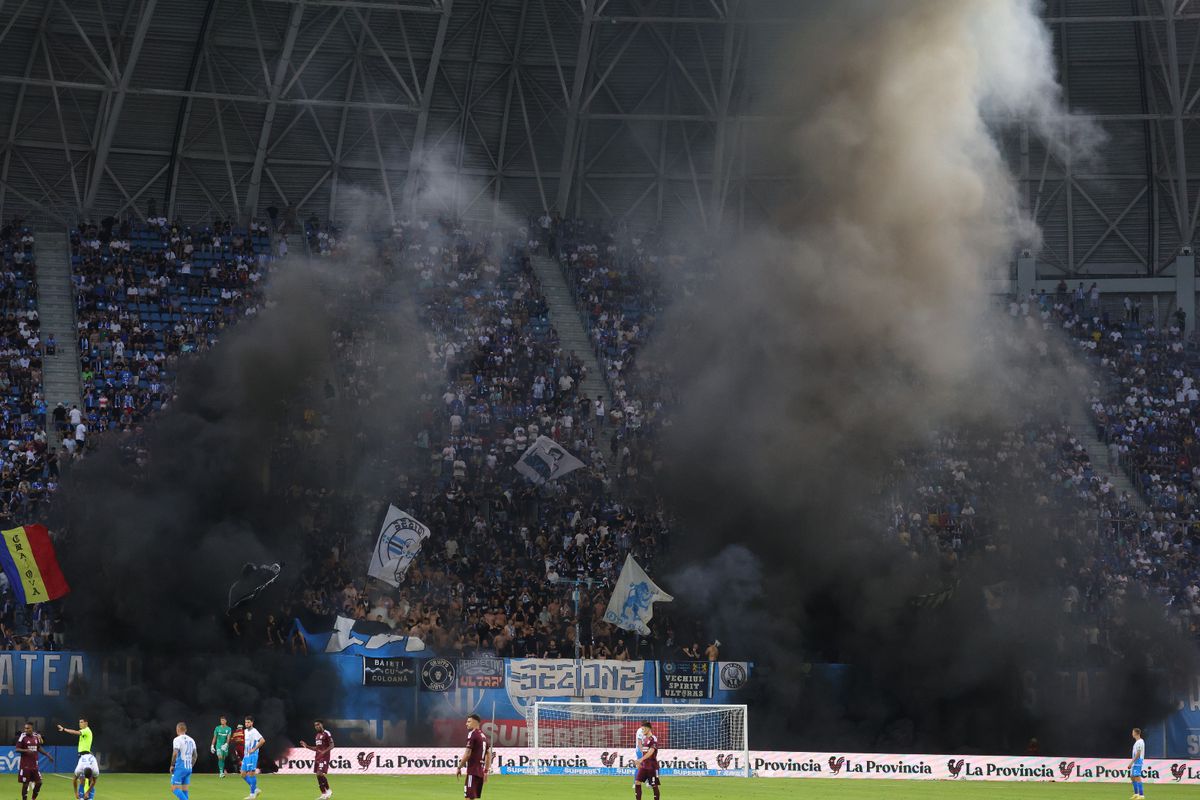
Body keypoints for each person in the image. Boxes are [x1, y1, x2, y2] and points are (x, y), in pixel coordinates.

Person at [58, 719, 98, 799]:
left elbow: (75, 732)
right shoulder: (85, 731)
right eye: (79, 722)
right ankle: (82, 797)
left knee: (87, 780)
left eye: (81, 722)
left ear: (86, 723)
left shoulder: (86, 730)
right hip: (83, 755)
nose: (80, 724)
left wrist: (64, 729)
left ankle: (89, 796)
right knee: (82, 780)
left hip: (85, 757)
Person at [455, 713, 492, 799]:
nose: (466, 724)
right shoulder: (483, 736)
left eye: (469, 722)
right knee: (472, 797)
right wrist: (486, 771)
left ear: (475, 723)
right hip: (480, 773)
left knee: (468, 797)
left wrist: (459, 767)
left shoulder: (472, 734)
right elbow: (489, 754)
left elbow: (467, 753)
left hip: (473, 772)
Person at [15, 721, 51, 800]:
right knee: (25, 785)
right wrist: (26, 750)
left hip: (34, 765)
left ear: (31, 728)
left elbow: (38, 747)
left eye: (28, 728)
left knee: (39, 783)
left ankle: (33, 798)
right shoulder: (22, 736)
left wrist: (47, 754)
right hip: (25, 766)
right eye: (25, 728)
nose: (26, 730)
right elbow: (17, 749)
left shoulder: (35, 736)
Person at [299, 720, 334, 799]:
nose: (317, 726)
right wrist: (307, 746)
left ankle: (328, 790)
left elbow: (332, 745)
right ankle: (323, 793)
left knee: (319, 773)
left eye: (318, 724)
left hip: (324, 757)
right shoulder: (317, 736)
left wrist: (324, 752)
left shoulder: (326, 733)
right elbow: (317, 748)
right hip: (318, 757)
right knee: (318, 776)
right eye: (315, 725)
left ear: (322, 725)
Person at [171, 722, 197, 800]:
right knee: (184, 790)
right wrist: (190, 766)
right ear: (185, 730)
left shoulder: (177, 739)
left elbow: (175, 753)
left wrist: (172, 765)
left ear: (177, 729)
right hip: (189, 768)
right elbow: (195, 756)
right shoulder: (191, 740)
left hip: (180, 767)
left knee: (174, 788)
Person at [633, 721, 660, 800]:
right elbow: (644, 752)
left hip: (652, 767)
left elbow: (651, 752)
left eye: (643, 729)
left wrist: (640, 759)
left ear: (648, 728)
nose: (642, 731)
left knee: (654, 785)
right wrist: (640, 762)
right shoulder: (644, 739)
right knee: (637, 782)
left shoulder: (653, 739)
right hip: (644, 766)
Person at [240, 716, 264, 799]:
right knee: (243, 774)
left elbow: (262, 740)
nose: (246, 724)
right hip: (246, 755)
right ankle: (256, 789)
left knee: (251, 774)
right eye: (245, 722)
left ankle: (252, 794)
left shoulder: (254, 731)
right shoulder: (245, 731)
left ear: (252, 723)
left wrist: (254, 749)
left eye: (248, 722)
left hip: (252, 755)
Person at [1130, 727, 1145, 798]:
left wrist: (1131, 762)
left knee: (1137, 777)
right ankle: (1136, 794)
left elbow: (1138, 753)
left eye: (1133, 732)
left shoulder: (1140, 742)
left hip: (1138, 761)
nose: (1132, 734)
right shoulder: (1137, 742)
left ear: (1136, 733)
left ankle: (1141, 795)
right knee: (1132, 776)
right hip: (1135, 761)